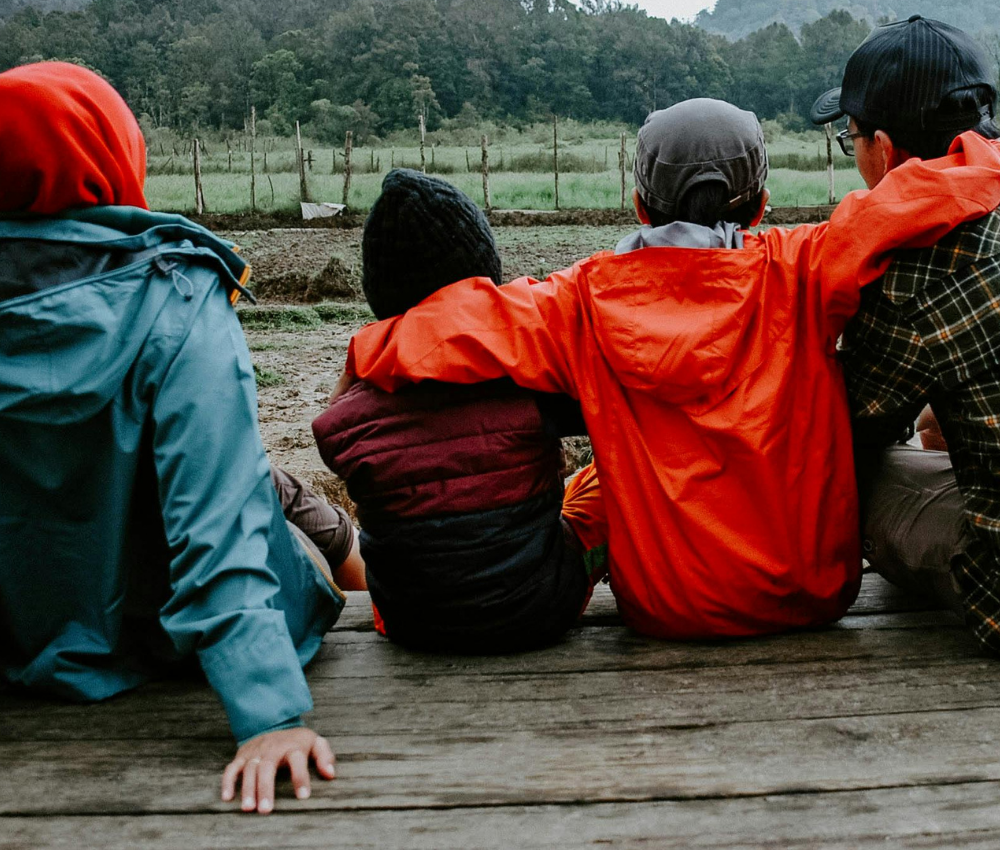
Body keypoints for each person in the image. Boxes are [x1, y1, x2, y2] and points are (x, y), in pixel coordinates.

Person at [340, 98, 1000, 641]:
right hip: (812, 596)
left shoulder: (579, 302)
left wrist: (369, 348)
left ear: (639, 205)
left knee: (596, 477)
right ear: (761, 203)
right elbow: (914, 198)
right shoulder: (805, 269)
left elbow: (457, 322)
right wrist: (986, 153)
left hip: (666, 612)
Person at [0, 61, 359, 814]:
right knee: (287, 521)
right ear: (115, 157)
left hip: (25, 645)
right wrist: (267, 716)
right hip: (171, 641)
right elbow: (217, 521)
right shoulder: (174, 292)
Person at [313, 169, 602, 653]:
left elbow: (330, 428)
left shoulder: (351, 415)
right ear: (482, 273)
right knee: (606, 482)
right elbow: (601, 412)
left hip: (408, 624)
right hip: (539, 611)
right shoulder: (525, 378)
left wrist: (360, 362)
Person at [811, 15, 1000, 655]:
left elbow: (850, 435)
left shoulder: (910, 276)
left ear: (884, 152)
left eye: (851, 137)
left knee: (875, 472)